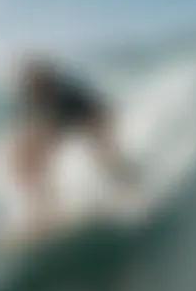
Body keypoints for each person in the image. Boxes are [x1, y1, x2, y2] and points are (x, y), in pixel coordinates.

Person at [10, 53, 136, 233]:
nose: (30, 83)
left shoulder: (65, 91)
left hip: (87, 117)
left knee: (106, 159)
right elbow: (26, 126)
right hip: (59, 123)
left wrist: (104, 134)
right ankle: (43, 209)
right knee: (26, 162)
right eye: (28, 79)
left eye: (35, 78)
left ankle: (129, 190)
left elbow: (98, 111)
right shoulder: (27, 95)